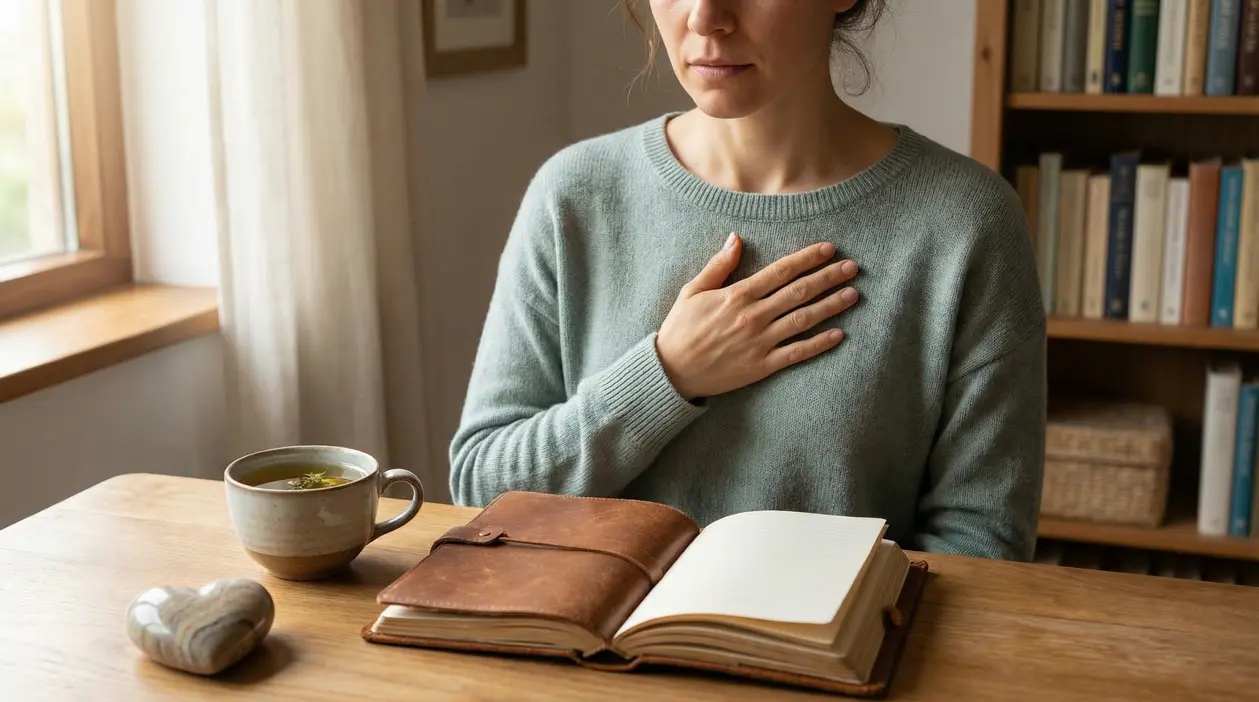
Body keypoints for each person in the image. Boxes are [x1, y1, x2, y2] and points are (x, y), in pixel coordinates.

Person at [448, 0, 1046, 561]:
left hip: (838, 663)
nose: (706, 16)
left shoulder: (965, 222)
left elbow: (984, 542)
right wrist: (666, 375)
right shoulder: (574, 194)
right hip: (586, 659)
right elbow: (481, 485)